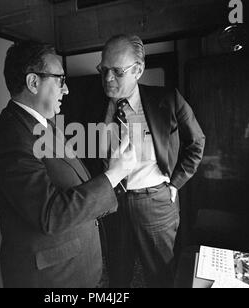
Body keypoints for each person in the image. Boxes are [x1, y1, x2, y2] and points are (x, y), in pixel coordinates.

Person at [0, 41, 137, 288]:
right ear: (33, 83)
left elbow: (71, 179)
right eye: (60, 80)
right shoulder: (8, 140)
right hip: (52, 279)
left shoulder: (47, 125)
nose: (66, 90)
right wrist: (114, 174)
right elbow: (51, 215)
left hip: (76, 267)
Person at [87, 34, 206, 287]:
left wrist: (175, 184)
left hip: (155, 202)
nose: (108, 78)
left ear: (138, 70)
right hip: (112, 204)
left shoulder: (169, 99)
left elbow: (197, 143)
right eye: (104, 69)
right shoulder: (90, 105)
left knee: (160, 276)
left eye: (118, 72)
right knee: (117, 275)